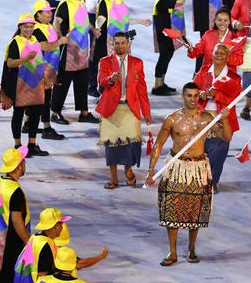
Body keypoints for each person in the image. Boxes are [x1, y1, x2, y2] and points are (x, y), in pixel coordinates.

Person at [145, 82, 232, 266]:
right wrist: (150, 170)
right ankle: (173, 251)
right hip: (176, 167)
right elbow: (158, 144)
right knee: (171, 210)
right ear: (182, 96)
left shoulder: (207, 118)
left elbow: (226, 137)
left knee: (196, 211)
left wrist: (224, 119)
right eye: (189, 96)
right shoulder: (172, 119)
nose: (193, 99)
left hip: (197, 170)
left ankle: (192, 248)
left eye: (196, 96)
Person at [97, 32, 152, 189]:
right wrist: (110, 80)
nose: (120, 46)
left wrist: (146, 111)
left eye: (123, 43)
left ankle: (128, 169)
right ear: (112, 45)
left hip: (130, 108)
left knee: (131, 143)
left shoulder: (137, 63)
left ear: (128, 44)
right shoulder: (105, 62)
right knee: (111, 145)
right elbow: (101, 80)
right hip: (111, 109)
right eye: (117, 43)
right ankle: (113, 178)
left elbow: (142, 88)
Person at [51, 0, 100, 125]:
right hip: (69, 50)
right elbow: (56, 23)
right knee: (63, 81)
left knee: (82, 81)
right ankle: (55, 112)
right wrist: (60, 38)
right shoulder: (66, 4)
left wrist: (93, 29)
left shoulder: (81, 1)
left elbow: (85, 20)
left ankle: (84, 112)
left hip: (82, 49)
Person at [193, 43, 242, 192]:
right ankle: (200, 179)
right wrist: (200, 94)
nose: (219, 56)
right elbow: (192, 90)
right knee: (201, 150)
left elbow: (234, 98)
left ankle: (213, 181)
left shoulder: (234, 77)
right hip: (202, 116)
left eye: (222, 54)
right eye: (217, 53)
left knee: (219, 151)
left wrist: (217, 95)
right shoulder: (203, 72)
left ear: (228, 57)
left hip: (223, 117)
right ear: (212, 54)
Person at [93, 0, 151, 96]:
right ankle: (105, 95)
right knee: (110, 68)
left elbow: (124, 20)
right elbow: (101, 18)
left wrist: (141, 21)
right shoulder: (106, 1)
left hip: (123, 40)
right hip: (110, 41)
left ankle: (119, 93)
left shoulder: (121, 1)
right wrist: (97, 27)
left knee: (122, 67)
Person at [2, 13, 48, 157]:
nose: (29, 29)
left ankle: (32, 144)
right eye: (26, 27)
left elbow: (39, 61)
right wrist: (26, 58)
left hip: (36, 84)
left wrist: (44, 77)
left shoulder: (35, 40)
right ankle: (17, 145)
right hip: (20, 84)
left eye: (31, 27)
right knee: (18, 114)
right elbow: (10, 63)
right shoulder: (16, 42)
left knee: (35, 114)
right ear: (20, 27)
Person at [0, 146, 31, 283]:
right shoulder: (14, 191)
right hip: (8, 246)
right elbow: (16, 221)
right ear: (19, 167)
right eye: (24, 162)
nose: (25, 164)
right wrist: (28, 241)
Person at [31, 0, 68, 140]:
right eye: (46, 11)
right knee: (45, 99)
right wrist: (60, 41)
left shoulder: (46, 26)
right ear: (38, 14)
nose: (50, 13)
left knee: (41, 98)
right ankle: (46, 127)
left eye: (50, 10)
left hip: (50, 68)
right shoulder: (37, 29)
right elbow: (45, 46)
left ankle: (28, 123)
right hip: (42, 70)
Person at [152, 0, 192, 96]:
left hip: (169, 27)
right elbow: (180, 2)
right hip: (163, 29)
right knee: (164, 55)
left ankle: (161, 83)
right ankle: (157, 85)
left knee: (168, 54)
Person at [14, 208, 69, 282]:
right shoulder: (45, 246)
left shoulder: (35, 237)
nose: (62, 228)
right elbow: (42, 278)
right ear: (57, 226)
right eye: (61, 224)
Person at [86, 0, 112, 98]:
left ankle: (103, 84)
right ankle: (91, 85)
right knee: (94, 56)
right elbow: (90, 7)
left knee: (102, 55)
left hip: (105, 25)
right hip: (95, 25)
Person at [187, 7, 243, 71]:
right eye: (219, 20)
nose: (222, 23)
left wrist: (227, 55)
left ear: (229, 22)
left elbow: (239, 60)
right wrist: (191, 49)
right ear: (215, 21)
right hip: (208, 75)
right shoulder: (208, 35)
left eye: (225, 20)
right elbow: (197, 51)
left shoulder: (235, 39)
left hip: (226, 77)